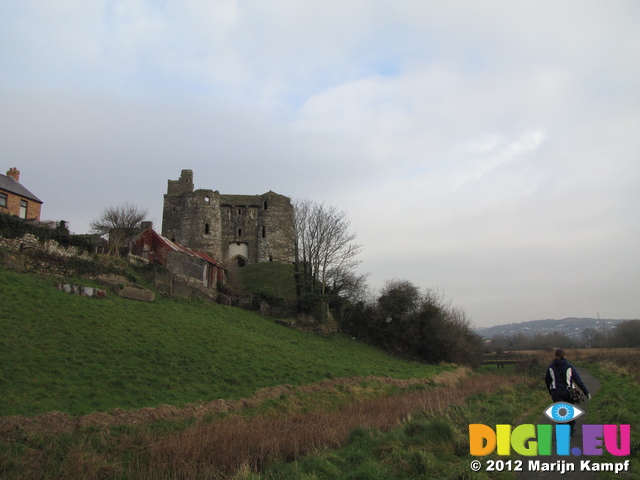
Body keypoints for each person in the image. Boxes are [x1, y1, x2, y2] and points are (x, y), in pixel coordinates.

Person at [545, 349, 591, 435]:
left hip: (556, 393)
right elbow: (578, 381)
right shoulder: (569, 367)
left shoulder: (551, 367)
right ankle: (571, 426)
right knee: (568, 411)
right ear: (564, 356)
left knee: (559, 412)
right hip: (568, 392)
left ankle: (562, 431)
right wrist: (586, 392)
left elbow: (547, 380)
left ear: (555, 356)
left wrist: (550, 391)